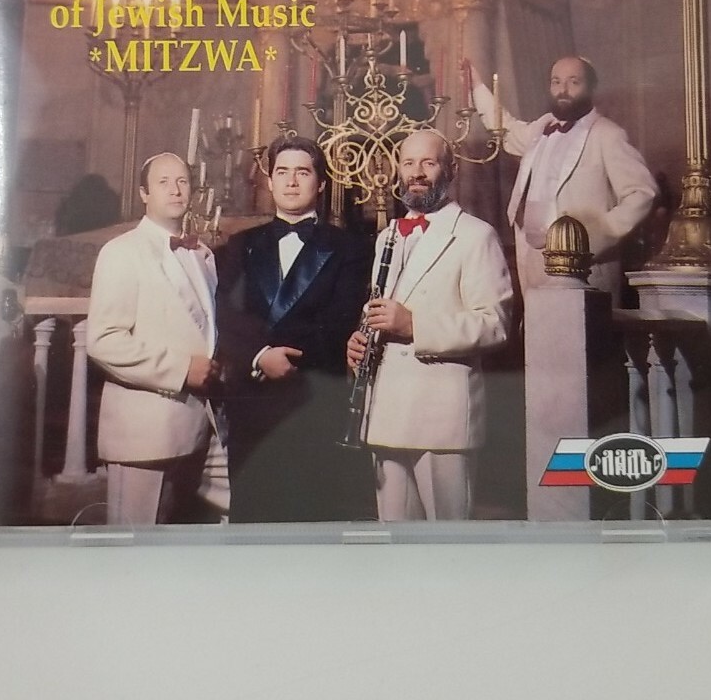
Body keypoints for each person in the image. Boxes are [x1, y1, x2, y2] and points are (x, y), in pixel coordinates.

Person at [346, 129, 513, 521]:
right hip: (385, 412)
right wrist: (360, 339)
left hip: (441, 418)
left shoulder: (476, 236)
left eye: (428, 162)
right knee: (395, 539)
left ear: (450, 170)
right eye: (408, 163)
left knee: (447, 540)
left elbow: (496, 324)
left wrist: (414, 325)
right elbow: (380, 310)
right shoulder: (387, 236)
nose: (416, 172)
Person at [216, 136, 374, 522]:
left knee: (312, 519)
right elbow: (224, 314)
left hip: (314, 402)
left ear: (320, 184)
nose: (291, 181)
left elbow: (339, 320)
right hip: (251, 406)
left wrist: (285, 358)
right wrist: (260, 356)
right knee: (252, 519)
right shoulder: (239, 245)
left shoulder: (351, 248)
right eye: (282, 172)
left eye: (302, 172)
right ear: (269, 181)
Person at [85, 152, 227, 524]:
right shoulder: (121, 252)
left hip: (201, 426)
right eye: (164, 182)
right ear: (144, 193)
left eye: (182, 181)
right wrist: (181, 370)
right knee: (137, 546)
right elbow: (103, 340)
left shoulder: (202, 255)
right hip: (144, 434)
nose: (175, 190)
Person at [468, 56, 656, 297]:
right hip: (532, 258)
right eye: (556, 82)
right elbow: (505, 128)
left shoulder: (607, 134)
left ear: (591, 88)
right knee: (537, 321)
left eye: (573, 82)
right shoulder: (542, 127)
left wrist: (590, 239)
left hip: (584, 267)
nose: (563, 90)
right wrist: (476, 85)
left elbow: (642, 194)